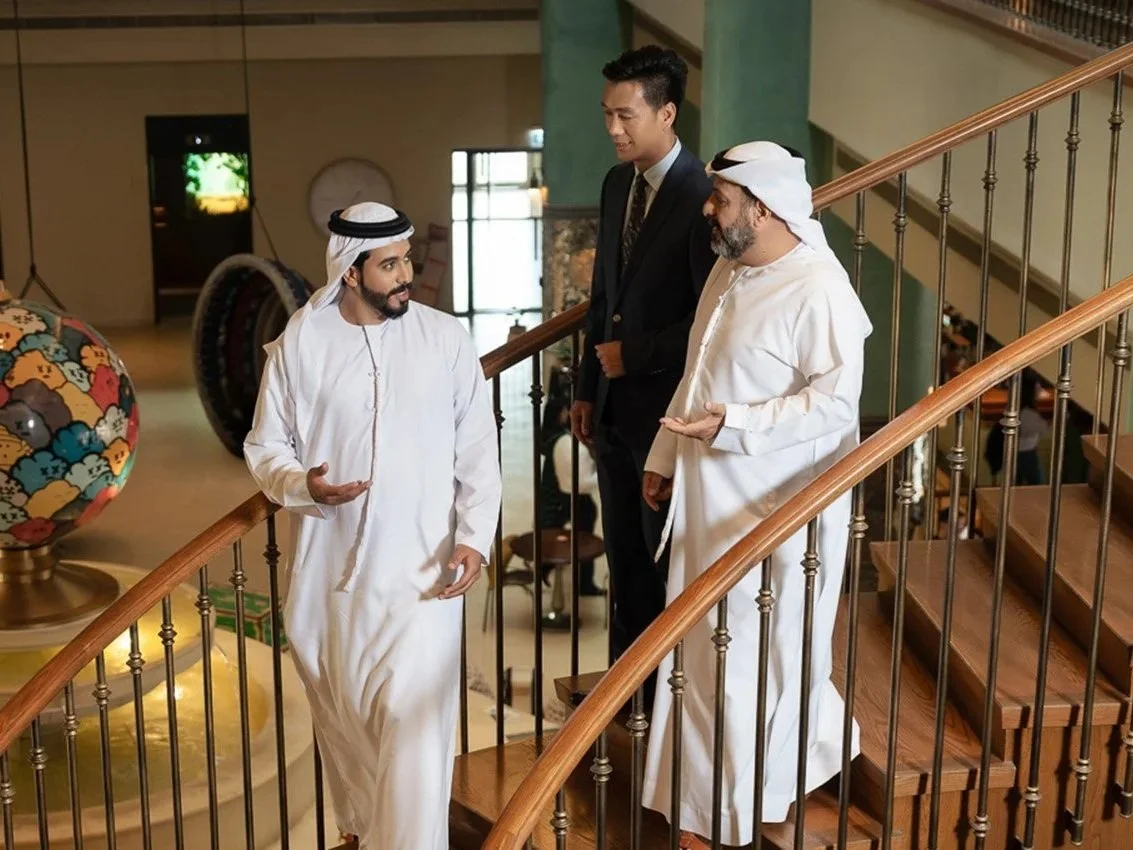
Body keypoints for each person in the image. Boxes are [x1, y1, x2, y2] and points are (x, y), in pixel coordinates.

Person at [243, 202, 501, 850]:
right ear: (349, 273)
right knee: (350, 726)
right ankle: (362, 831)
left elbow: (478, 453)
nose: (405, 274)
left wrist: (473, 537)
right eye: (390, 264)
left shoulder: (445, 339)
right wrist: (304, 485)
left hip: (424, 577)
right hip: (332, 581)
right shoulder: (299, 344)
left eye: (406, 259)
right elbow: (265, 446)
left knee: (414, 741)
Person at [639, 142, 873, 848]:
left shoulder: (818, 289)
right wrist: (665, 457)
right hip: (707, 497)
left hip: (774, 512)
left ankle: (722, 815)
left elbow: (835, 408)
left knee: (746, 661)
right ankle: (705, 801)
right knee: (703, 655)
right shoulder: (729, 268)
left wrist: (732, 427)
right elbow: (698, 373)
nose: (708, 209)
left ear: (763, 208)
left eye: (720, 199)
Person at [571, 44, 716, 689]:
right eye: (607, 114)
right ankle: (626, 695)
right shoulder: (614, 185)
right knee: (624, 561)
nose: (613, 129)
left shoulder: (705, 197)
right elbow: (603, 296)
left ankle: (666, 700)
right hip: (608, 412)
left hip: (664, 417)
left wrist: (636, 355)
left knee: (662, 565)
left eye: (626, 115)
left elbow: (713, 320)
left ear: (667, 113)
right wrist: (586, 386)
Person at [540, 394, 603, 595]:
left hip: (566, 497)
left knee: (578, 540)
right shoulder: (572, 445)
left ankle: (578, 580)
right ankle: (585, 584)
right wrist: (602, 477)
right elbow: (581, 482)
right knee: (585, 544)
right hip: (580, 500)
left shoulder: (558, 442)